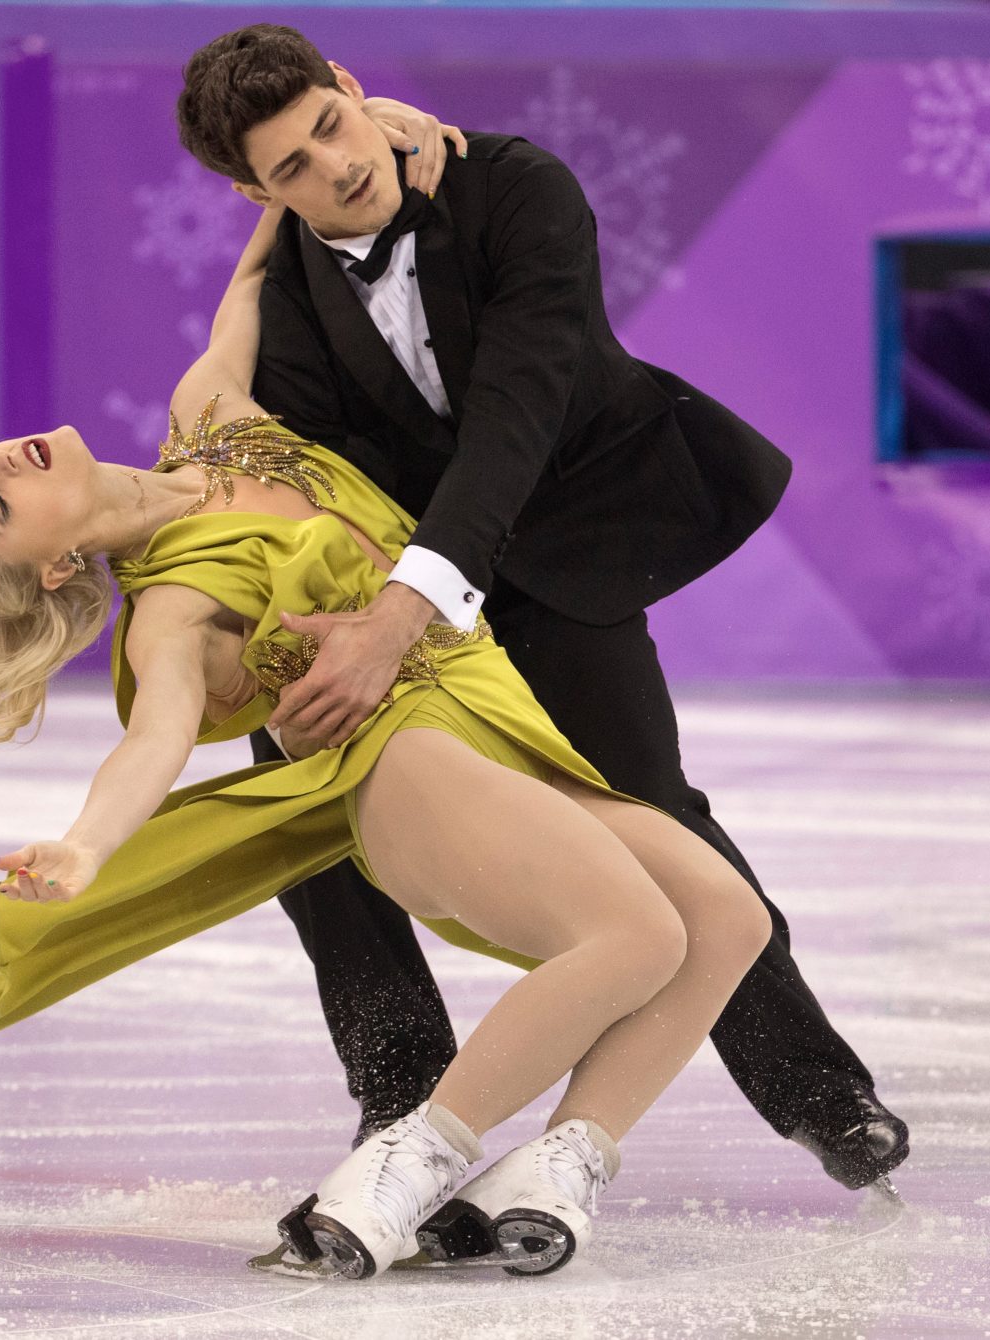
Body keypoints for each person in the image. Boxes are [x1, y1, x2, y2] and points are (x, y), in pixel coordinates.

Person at [0, 185, 773, 1279]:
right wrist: (86, 845)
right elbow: (153, 739)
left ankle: (560, 1161)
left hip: (493, 716)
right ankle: (407, 1164)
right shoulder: (170, 606)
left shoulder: (211, 419)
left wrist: (294, 186)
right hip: (406, 760)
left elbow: (251, 286)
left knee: (726, 916)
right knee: (634, 933)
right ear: (59, 567)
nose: (0, 466)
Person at [175, 23, 909, 1192]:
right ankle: (400, 1089)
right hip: (411, 562)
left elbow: (515, 421)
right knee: (302, 780)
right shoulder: (290, 309)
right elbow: (307, 482)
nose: (337, 167)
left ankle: (821, 1090)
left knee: (649, 806)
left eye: (331, 125)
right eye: (290, 170)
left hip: (564, 537)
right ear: (253, 195)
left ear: (353, 89)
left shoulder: (517, 189)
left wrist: (403, 616)